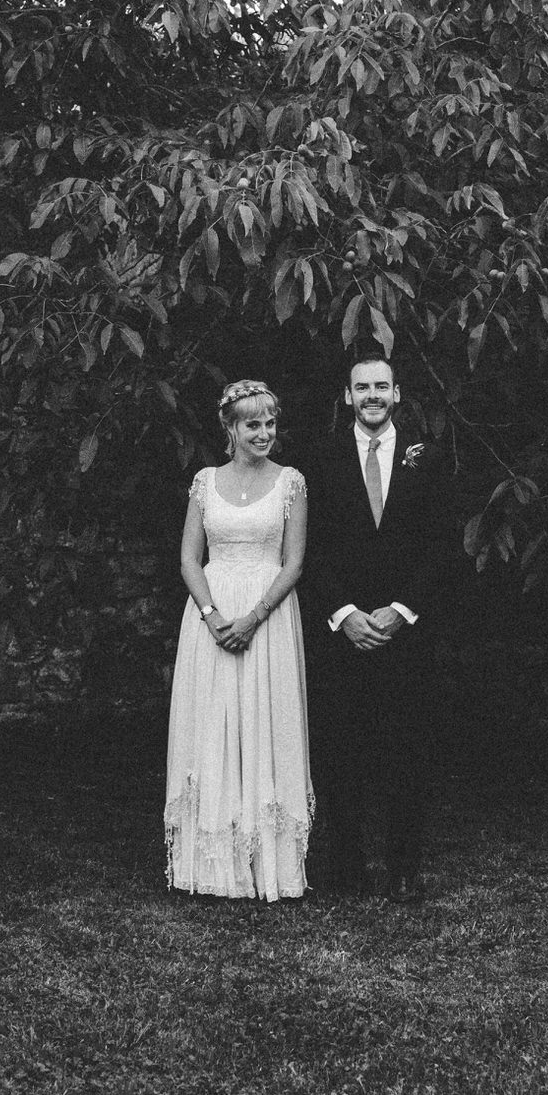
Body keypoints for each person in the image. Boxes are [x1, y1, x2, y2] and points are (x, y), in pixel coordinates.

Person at [300, 347, 448, 903]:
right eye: (362, 388)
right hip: (344, 631)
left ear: (397, 394)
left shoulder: (426, 458)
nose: (372, 397)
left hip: (405, 631)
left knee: (407, 748)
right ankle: (346, 864)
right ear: (347, 396)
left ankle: (405, 865)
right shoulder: (319, 458)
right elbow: (308, 548)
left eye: (381, 387)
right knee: (342, 749)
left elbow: (439, 544)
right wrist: (343, 614)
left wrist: (402, 609)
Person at [163, 379, 312, 900]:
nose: (264, 433)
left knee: (265, 723)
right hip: (212, 615)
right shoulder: (205, 482)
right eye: (253, 424)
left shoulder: (291, 483)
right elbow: (188, 557)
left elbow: (294, 562)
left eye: (270, 423)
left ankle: (268, 865)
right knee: (214, 724)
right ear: (230, 428)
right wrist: (212, 614)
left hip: (267, 614)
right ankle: (210, 864)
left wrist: (253, 617)